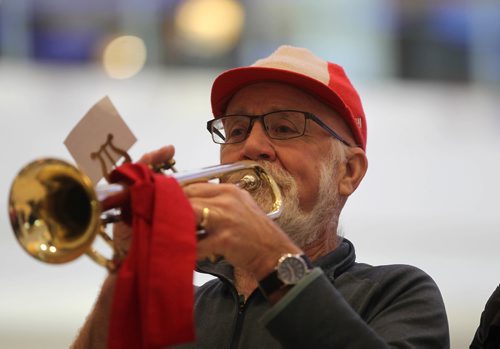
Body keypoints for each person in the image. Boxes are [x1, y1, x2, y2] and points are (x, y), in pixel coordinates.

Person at [72, 45, 449, 348]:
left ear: (348, 172)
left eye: (284, 127)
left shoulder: (397, 294)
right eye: (236, 130)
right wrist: (124, 265)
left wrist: (269, 258)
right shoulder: (180, 306)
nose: (251, 146)